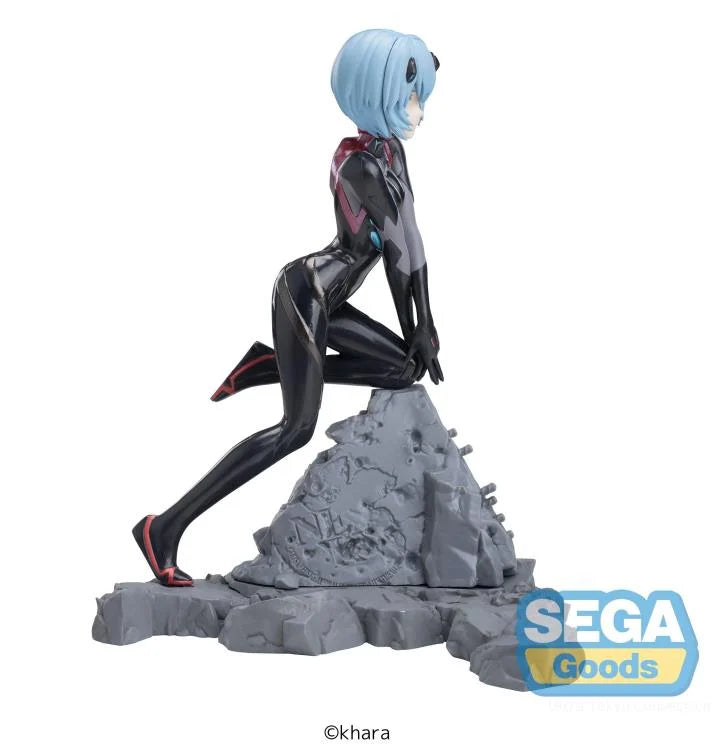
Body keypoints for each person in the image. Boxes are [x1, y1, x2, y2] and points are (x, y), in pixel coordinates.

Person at [133, 28, 444, 586]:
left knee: (402, 368)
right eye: (411, 96)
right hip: (306, 293)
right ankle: (164, 527)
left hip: (331, 298)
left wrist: (425, 327)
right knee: (295, 430)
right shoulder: (362, 166)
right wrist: (417, 324)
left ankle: (268, 365)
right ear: (375, 93)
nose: (420, 110)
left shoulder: (389, 152)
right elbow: (398, 252)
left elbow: (411, 239)